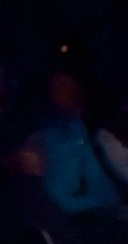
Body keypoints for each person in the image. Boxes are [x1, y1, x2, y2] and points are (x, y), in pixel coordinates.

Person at [31, 71, 120, 214]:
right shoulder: (53, 139)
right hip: (74, 217)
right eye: (58, 88)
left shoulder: (81, 128)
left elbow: (103, 186)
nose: (64, 91)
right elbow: (62, 201)